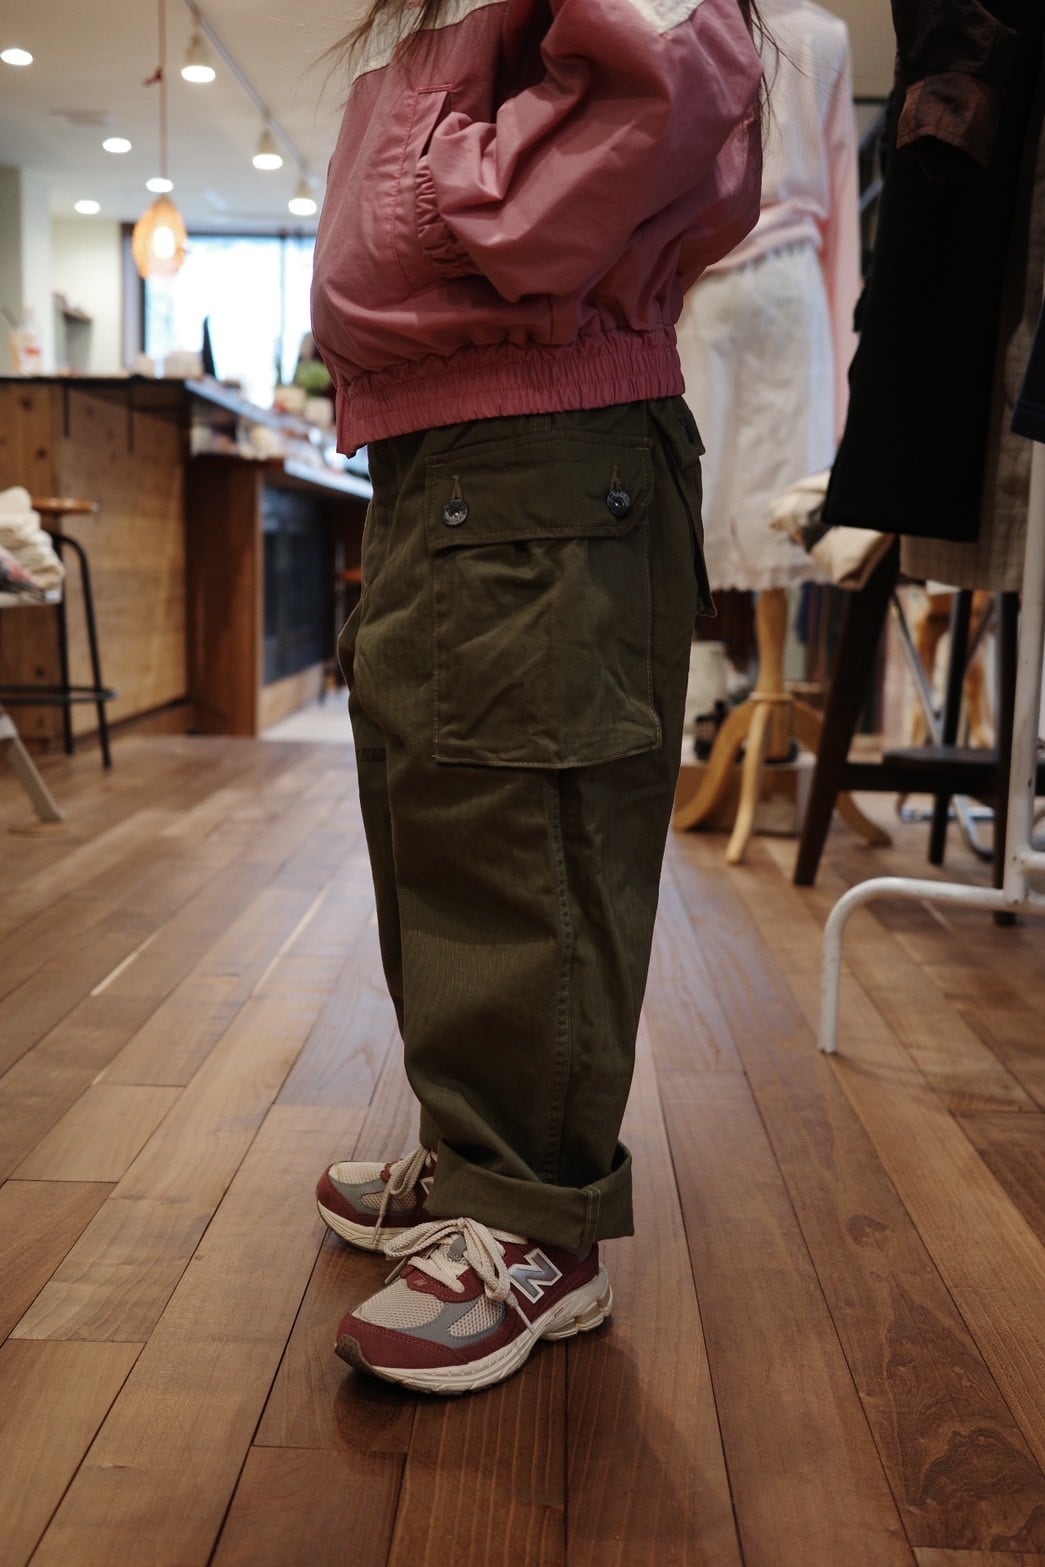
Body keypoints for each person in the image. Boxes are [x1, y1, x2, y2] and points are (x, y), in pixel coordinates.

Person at [309, 0, 764, 1396]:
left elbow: (671, 67)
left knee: (522, 833)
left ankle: (535, 1225)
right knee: (444, 817)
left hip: (542, 435)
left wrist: (427, 193)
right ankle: (479, 1158)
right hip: (465, 440)